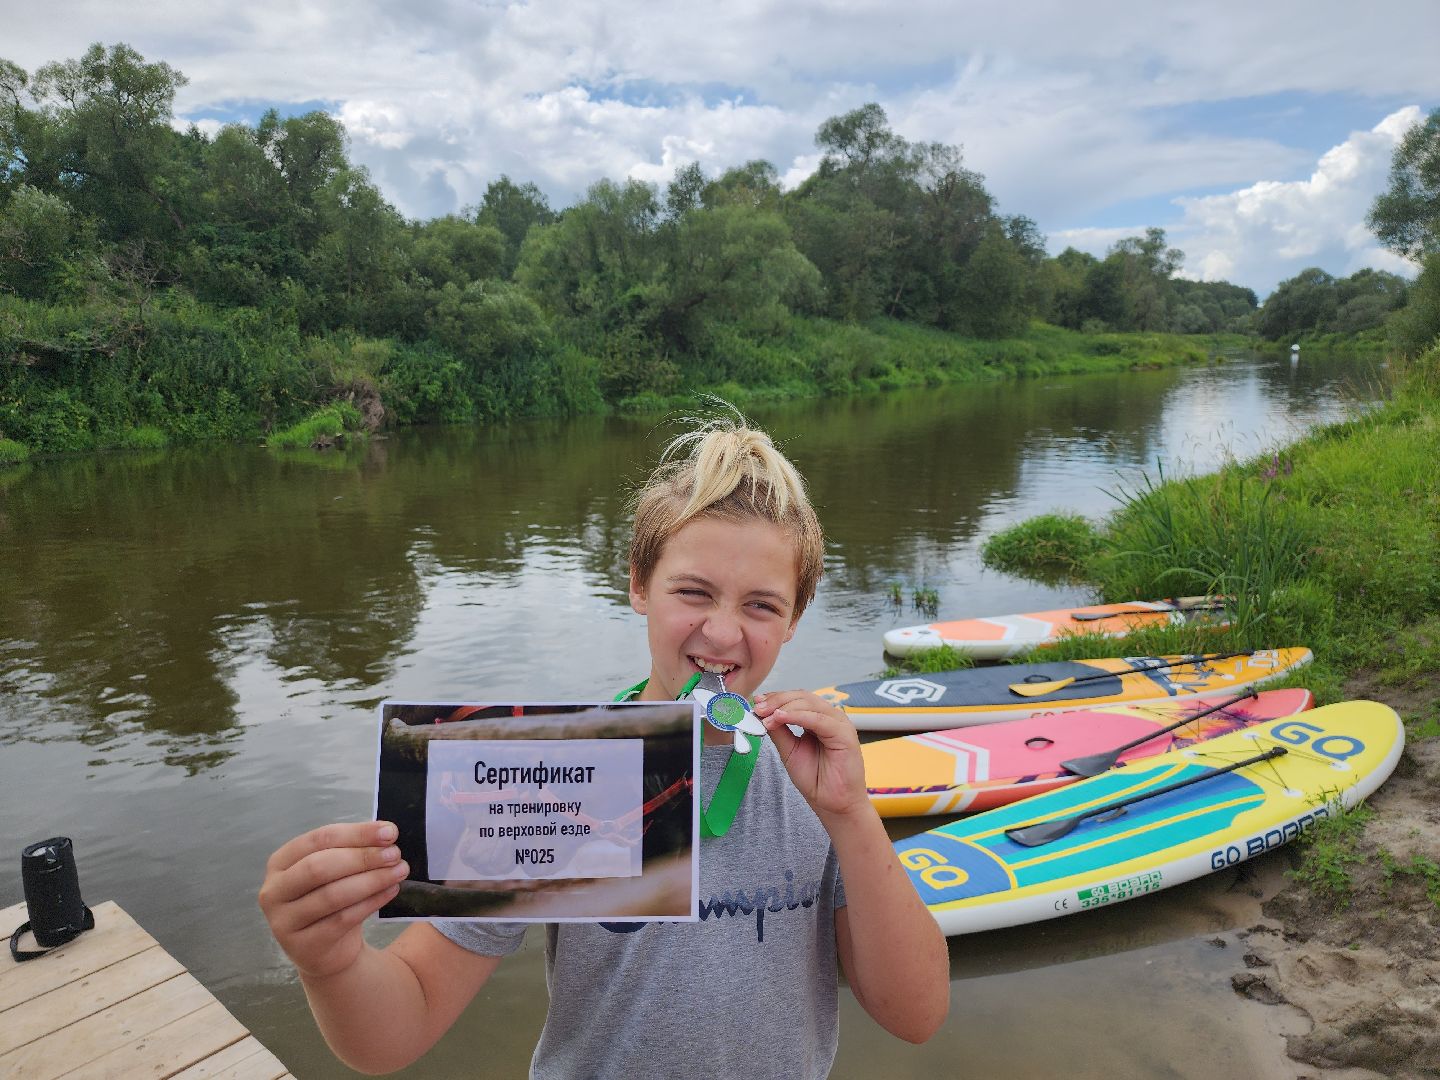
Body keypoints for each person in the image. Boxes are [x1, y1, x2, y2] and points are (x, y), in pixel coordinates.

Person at [258, 409, 950, 1077]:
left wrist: (853, 814)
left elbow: (915, 1014)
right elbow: (402, 1021)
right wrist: (331, 960)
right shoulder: (555, 770)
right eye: (693, 592)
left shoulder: (820, 783)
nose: (722, 632)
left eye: (761, 604)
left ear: (796, 618)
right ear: (638, 585)